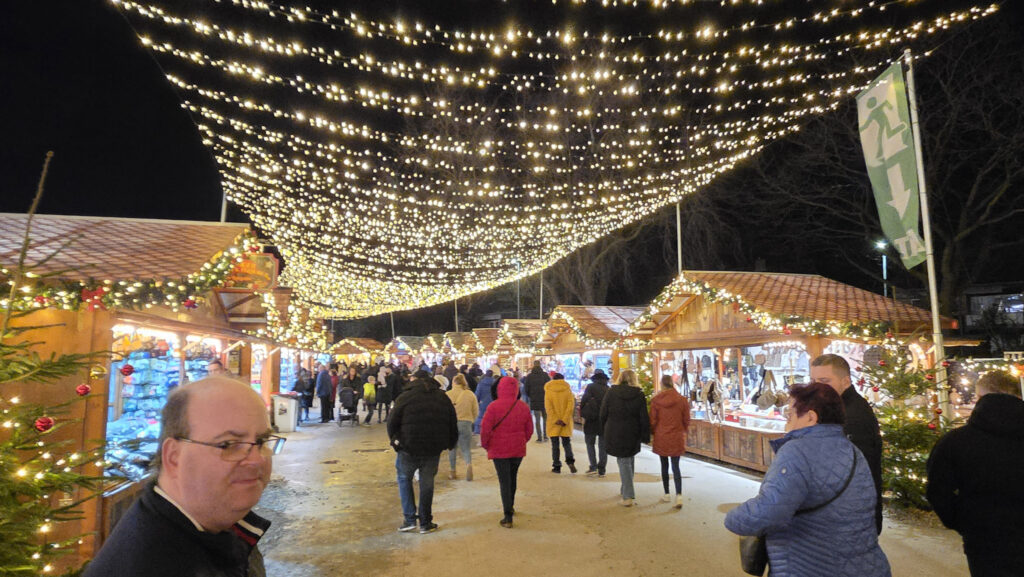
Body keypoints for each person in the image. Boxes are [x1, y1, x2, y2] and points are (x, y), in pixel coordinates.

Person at [83, 377, 282, 577]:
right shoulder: (151, 564)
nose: (257, 460)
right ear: (174, 457)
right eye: (228, 445)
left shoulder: (221, 525)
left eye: (262, 440)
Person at [725, 382, 890, 576]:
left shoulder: (795, 450)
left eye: (791, 414)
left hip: (810, 566)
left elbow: (770, 511)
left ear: (811, 417)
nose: (787, 420)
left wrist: (733, 517)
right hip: (866, 565)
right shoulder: (853, 451)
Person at [926, 370, 1024, 576]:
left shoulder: (955, 442)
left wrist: (964, 522)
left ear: (979, 397)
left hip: (983, 541)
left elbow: (938, 492)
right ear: (1018, 396)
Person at [810, 354, 883, 533]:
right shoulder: (834, 407)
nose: (818, 387)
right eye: (814, 380)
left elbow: (854, 471)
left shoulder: (853, 415)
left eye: (825, 380)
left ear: (846, 381)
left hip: (852, 513)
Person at [387, 370, 458, 534]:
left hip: (407, 447)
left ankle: (409, 519)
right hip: (433, 448)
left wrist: (395, 440)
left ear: (414, 379)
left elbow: (392, 421)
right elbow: (451, 420)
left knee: (404, 479)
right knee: (427, 483)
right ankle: (426, 522)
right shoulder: (442, 397)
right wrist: (450, 442)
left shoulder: (405, 396)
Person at [480, 376, 533, 529]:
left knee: (504, 481)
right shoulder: (523, 406)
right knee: (512, 477)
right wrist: (522, 441)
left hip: (498, 449)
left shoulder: (493, 407)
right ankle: (511, 506)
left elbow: (485, 430)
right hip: (517, 450)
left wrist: (486, 445)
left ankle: (507, 516)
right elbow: (529, 430)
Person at [600, 369, 650, 507]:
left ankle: (628, 495)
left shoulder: (611, 392)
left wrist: (603, 428)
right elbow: (643, 416)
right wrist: (645, 434)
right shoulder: (639, 394)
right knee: (628, 458)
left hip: (614, 429)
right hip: (632, 430)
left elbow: (603, 412)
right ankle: (625, 488)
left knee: (623, 460)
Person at [650, 374, 690, 508]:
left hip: (662, 435)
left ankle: (666, 493)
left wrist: (654, 432)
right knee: (676, 466)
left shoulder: (656, 401)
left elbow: (653, 420)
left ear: (662, 384)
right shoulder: (682, 400)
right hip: (676, 435)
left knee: (664, 465)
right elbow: (686, 419)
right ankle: (679, 495)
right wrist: (682, 430)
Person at [446, 373, 479, 480]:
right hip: (466, 423)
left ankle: (452, 471)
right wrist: (471, 420)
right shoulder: (470, 394)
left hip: (451, 424)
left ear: (453, 383)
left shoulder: (448, 394)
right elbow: (476, 410)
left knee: (452, 448)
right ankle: (468, 464)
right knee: (465, 448)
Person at [544, 372, 577, 474]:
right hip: (565, 423)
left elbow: (548, 407)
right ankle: (570, 461)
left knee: (555, 445)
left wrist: (555, 419)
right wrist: (564, 419)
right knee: (566, 443)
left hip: (554, 423)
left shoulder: (548, 391)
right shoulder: (568, 390)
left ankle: (557, 466)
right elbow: (570, 406)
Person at [579, 369, 610, 476]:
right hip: (604, 421)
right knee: (603, 446)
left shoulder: (591, 387)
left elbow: (584, 401)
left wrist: (583, 413)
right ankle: (602, 469)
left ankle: (593, 466)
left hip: (591, 419)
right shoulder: (608, 388)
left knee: (590, 443)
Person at [522, 361, 550, 443]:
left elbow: (526, 389)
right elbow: (549, 386)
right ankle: (545, 436)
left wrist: (531, 396)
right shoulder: (545, 375)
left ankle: (539, 437)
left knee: (537, 418)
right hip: (545, 399)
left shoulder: (530, 376)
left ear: (533, 365)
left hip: (534, 399)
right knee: (545, 418)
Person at [474, 367, 497, 434]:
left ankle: (479, 431)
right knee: (492, 418)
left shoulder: (481, 383)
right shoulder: (495, 384)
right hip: (493, 403)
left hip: (483, 403)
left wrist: (477, 402)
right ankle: (491, 430)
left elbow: (477, 394)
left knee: (481, 417)